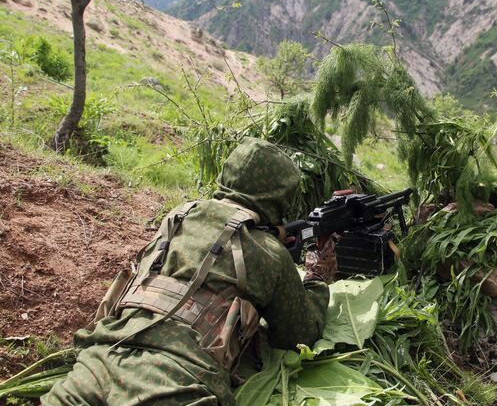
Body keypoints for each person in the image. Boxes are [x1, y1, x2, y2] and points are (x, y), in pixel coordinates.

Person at [42, 137, 337, 406]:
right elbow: (298, 335)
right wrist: (317, 277)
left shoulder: (177, 218)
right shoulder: (269, 252)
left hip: (99, 361)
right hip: (172, 383)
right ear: (279, 197)